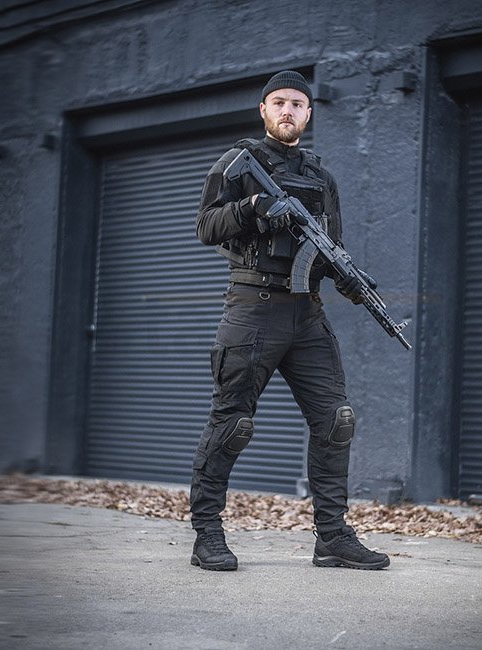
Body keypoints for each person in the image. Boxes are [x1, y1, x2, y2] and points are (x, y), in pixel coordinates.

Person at [189, 70, 390, 571]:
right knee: (232, 422)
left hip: (307, 311)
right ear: (263, 109)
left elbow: (331, 243)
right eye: (278, 102)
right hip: (253, 308)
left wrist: (348, 278)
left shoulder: (321, 177)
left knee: (336, 420)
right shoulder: (238, 162)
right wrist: (253, 207)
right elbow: (206, 226)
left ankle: (333, 538)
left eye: (297, 104)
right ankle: (207, 535)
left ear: (309, 113)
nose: (288, 110)